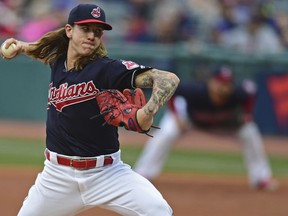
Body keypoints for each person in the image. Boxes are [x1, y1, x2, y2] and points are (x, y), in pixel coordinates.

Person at [0, 4, 179, 216]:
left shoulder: (108, 69)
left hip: (107, 174)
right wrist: (21, 47)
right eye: (85, 29)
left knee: (159, 211)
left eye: (97, 31)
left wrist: (148, 112)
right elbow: (43, 52)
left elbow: (168, 78)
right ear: (69, 31)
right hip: (56, 178)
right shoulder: (58, 62)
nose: (92, 36)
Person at [134, 66, 278, 191]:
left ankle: (261, 178)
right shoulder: (196, 91)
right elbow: (173, 90)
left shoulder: (237, 94)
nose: (223, 87)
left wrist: (247, 113)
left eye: (227, 84)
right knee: (167, 132)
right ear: (211, 82)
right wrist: (176, 115)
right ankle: (143, 173)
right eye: (220, 82)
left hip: (224, 125)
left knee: (249, 131)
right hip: (190, 121)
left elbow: (251, 90)